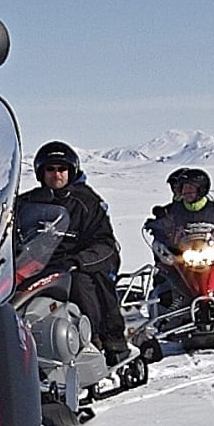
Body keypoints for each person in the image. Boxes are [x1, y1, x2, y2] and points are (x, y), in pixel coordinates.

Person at [16, 140, 130, 363]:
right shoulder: (26, 203)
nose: (56, 174)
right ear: (41, 172)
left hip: (73, 265)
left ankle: (101, 338)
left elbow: (105, 243)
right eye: (50, 169)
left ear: (71, 171)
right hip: (32, 264)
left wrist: (79, 261)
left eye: (62, 169)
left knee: (83, 282)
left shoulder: (86, 203)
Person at [145, 166, 214, 306]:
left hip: (209, 255)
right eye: (182, 188)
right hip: (183, 256)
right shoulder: (173, 210)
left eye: (190, 188)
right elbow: (165, 228)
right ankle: (165, 312)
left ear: (201, 189)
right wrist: (156, 225)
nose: (185, 192)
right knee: (165, 274)